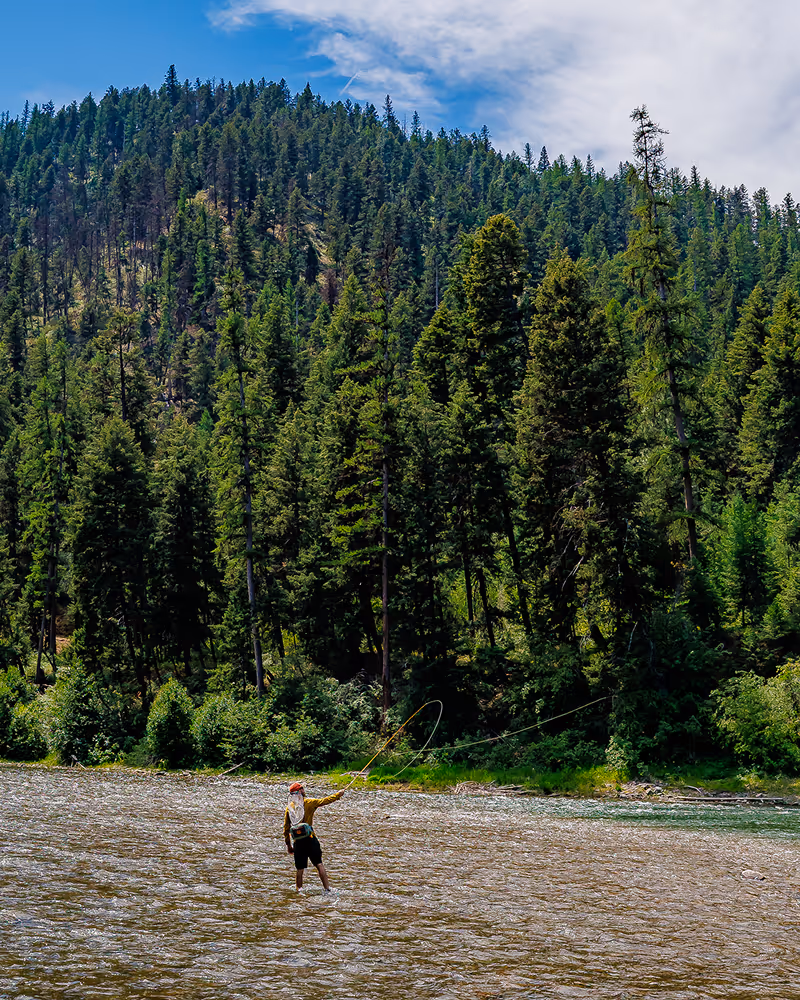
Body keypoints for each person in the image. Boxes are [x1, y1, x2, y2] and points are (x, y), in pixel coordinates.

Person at [284, 781, 345, 891]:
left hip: (298, 842)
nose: (303, 790)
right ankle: (327, 889)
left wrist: (288, 844)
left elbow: (286, 828)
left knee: (299, 869)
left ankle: (299, 891)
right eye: (302, 788)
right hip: (311, 839)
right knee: (319, 864)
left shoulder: (289, 808)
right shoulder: (310, 802)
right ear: (300, 791)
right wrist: (338, 795)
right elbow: (325, 801)